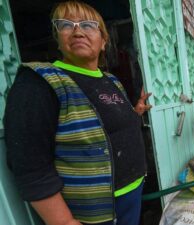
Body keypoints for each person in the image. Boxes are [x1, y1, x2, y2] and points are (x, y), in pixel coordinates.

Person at [4, 1, 151, 225]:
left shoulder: (111, 80)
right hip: (92, 215)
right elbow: (30, 165)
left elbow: (106, 125)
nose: (78, 31)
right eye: (66, 24)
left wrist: (135, 112)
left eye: (88, 25)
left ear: (103, 41)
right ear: (58, 38)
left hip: (132, 195)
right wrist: (64, 221)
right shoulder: (39, 81)